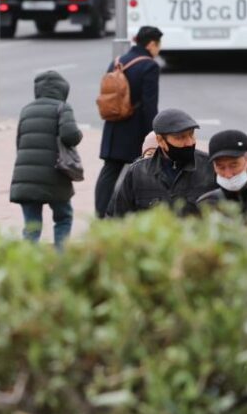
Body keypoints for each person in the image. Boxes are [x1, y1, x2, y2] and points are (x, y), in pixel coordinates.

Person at [9, 70, 83, 250]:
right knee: (63, 217)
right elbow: (70, 136)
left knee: (32, 226)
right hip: (54, 175)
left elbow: (19, 142)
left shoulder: (26, 110)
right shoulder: (62, 107)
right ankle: (60, 259)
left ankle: (27, 263)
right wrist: (78, 134)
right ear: (62, 90)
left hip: (25, 178)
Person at [95, 26, 163, 218]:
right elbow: (150, 104)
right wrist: (153, 134)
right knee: (142, 171)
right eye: (158, 45)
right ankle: (135, 213)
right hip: (135, 127)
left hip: (114, 124)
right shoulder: (149, 66)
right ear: (151, 44)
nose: (159, 50)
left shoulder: (118, 62)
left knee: (110, 170)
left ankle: (100, 213)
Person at [109, 109, 217, 218]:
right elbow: (117, 219)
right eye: (180, 137)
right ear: (160, 141)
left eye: (191, 134)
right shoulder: (137, 173)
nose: (189, 142)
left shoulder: (210, 166)